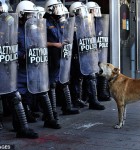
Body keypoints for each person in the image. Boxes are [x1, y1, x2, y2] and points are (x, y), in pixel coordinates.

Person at [16, 0, 61, 129]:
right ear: (21, 15)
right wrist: (22, 55)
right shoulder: (15, 30)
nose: (31, 17)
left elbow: (39, 43)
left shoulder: (34, 28)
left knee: (43, 91)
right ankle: (21, 126)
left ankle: (50, 119)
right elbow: (10, 48)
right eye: (28, 15)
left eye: (32, 15)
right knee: (19, 96)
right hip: (21, 68)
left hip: (35, 66)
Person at [0, 1, 38, 138]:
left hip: (13, 66)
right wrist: (20, 54)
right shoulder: (10, 28)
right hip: (5, 66)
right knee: (14, 96)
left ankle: (21, 127)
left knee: (16, 96)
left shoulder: (20, 27)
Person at [44, 0, 80, 115]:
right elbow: (39, 41)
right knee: (52, 83)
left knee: (63, 80)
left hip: (61, 54)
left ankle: (67, 107)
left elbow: (62, 35)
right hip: (51, 55)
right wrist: (55, 44)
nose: (58, 10)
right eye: (55, 8)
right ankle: (52, 111)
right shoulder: (44, 22)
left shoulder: (59, 21)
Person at [69, 2, 105, 110]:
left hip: (87, 54)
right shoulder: (71, 24)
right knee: (77, 78)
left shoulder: (86, 23)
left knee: (91, 75)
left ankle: (93, 100)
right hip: (76, 55)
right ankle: (77, 100)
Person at [86, 2, 111, 101]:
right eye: (93, 10)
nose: (96, 12)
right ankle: (92, 97)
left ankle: (102, 92)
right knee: (92, 75)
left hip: (98, 51)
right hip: (89, 54)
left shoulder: (98, 21)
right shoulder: (85, 22)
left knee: (103, 69)